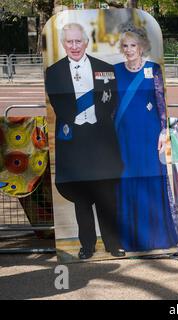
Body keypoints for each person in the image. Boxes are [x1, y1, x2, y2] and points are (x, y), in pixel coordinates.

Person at [45, 23, 125, 260]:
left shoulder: (105, 68)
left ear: (86, 43)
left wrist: (94, 115)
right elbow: (57, 103)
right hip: (74, 142)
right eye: (69, 42)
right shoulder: (53, 71)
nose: (74, 46)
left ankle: (114, 244)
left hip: (101, 139)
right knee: (82, 198)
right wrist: (78, 117)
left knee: (106, 196)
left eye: (78, 41)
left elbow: (112, 100)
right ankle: (87, 245)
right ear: (63, 44)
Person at [113, 27, 178, 252]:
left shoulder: (154, 69)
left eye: (133, 45)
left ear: (141, 46)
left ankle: (157, 238)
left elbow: (161, 102)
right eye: (125, 46)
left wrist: (163, 131)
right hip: (123, 138)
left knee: (151, 181)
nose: (129, 50)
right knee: (127, 183)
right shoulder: (114, 71)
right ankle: (129, 240)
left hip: (150, 135)